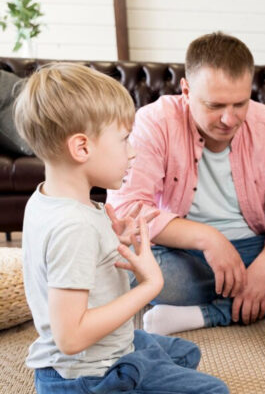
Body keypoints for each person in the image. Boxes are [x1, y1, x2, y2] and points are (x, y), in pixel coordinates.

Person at [107, 32, 265, 335]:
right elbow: (128, 209)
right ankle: (256, 297)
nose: (229, 119)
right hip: (183, 254)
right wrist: (208, 239)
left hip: (258, 247)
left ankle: (206, 314)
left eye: (239, 104)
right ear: (186, 90)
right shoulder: (153, 122)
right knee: (119, 265)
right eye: (215, 105)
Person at [14, 63, 228, 393]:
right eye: (124, 140)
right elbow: (70, 337)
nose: (133, 152)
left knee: (185, 353)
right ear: (81, 148)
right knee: (215, 391)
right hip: (88, 375)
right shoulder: (75, 226)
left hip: (96, 354)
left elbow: (64, 264)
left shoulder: (48, 199)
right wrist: (149, 285)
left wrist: (112, 242)